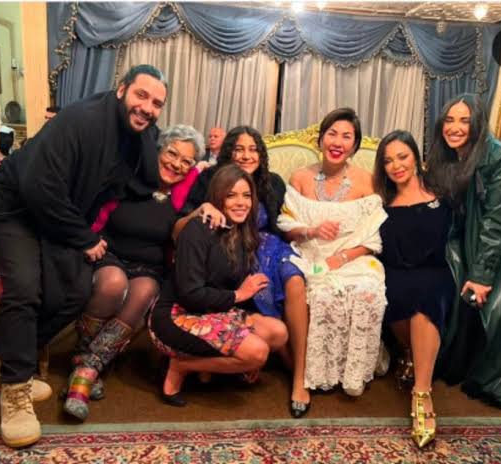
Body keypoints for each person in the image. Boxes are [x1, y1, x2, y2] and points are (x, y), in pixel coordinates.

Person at [0, 64, 167, 448]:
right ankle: (14, 391)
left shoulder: (134, 132)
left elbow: (147, 179)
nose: (148, 107)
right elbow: (38, 185)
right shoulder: (83, 120)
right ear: (121, 90)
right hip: (15, 208)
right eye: (141, 95)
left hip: (57, 214)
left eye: (157, 104)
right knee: (25, 289)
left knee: (76, 289)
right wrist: (84, 238)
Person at [62, 124, 213, 421]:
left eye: (186, 161)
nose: (176, 164)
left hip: (149, 266)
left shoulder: (183, 197)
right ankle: (85, 356)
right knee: (113, 283)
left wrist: (201, 208)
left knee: (145, 290)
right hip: (109, 253)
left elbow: (183, 230)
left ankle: (87, 367)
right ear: (158, 151)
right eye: (172, 153)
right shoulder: (129, 179)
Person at [426, 93, 501, 413]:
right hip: (473, 238)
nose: (454, 127)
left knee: (500, 308)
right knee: (461, 300)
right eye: (449, 120)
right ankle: (464, 368)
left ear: (478, 123)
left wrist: (481, 275)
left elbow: (496, 221)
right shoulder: (446, 156)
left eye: (464, 121)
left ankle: (497, 383)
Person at [184, 126, 310, 418]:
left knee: (294, 279)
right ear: (228, 152)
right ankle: (271, 356)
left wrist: (311, 233)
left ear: (261, 154)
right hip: (234, 246)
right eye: (239, 149)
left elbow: (286, 223)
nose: (246, 155)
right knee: (255, 283)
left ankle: (300, 377)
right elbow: (186, 220)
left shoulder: (273, 182)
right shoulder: (209, 178)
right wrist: (205, 206)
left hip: (273, 247)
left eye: (253, 149)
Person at [149, 165, 288, 406]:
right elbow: (190, 294)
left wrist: (242, 295)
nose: (241, 203)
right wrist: (239, 295)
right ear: (218, 197)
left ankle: (213, 368)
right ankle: (181, 366)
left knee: (278, 333)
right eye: (231, 195)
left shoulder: (243, 231)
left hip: (214, 311)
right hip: (177, 315)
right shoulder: (198, 229)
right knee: (257, 353)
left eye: (246, 195)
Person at [278, 107, 389, 397]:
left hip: (354, 256)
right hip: (309, 254)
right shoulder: (300, 177)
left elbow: (373, 236)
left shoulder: (368, 181)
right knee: (322, 293)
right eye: (332, 134)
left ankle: (351, 372)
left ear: (355, 145)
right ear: (321, 138)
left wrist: (341, 257)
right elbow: (286, 227)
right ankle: (318, 372)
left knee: (367, 290)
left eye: (346, 136)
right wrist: (311, 231)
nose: (338, 142)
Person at [373, 130, 452, 448]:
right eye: (388, 160)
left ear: (417, 158)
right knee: (393, 292)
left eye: (402, 156)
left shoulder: (442, 193)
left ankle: (422, 393)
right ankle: (410, 352)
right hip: (395, 272)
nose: (396, 165)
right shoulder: (381, 201)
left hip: (436, 272)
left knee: (424, 298)